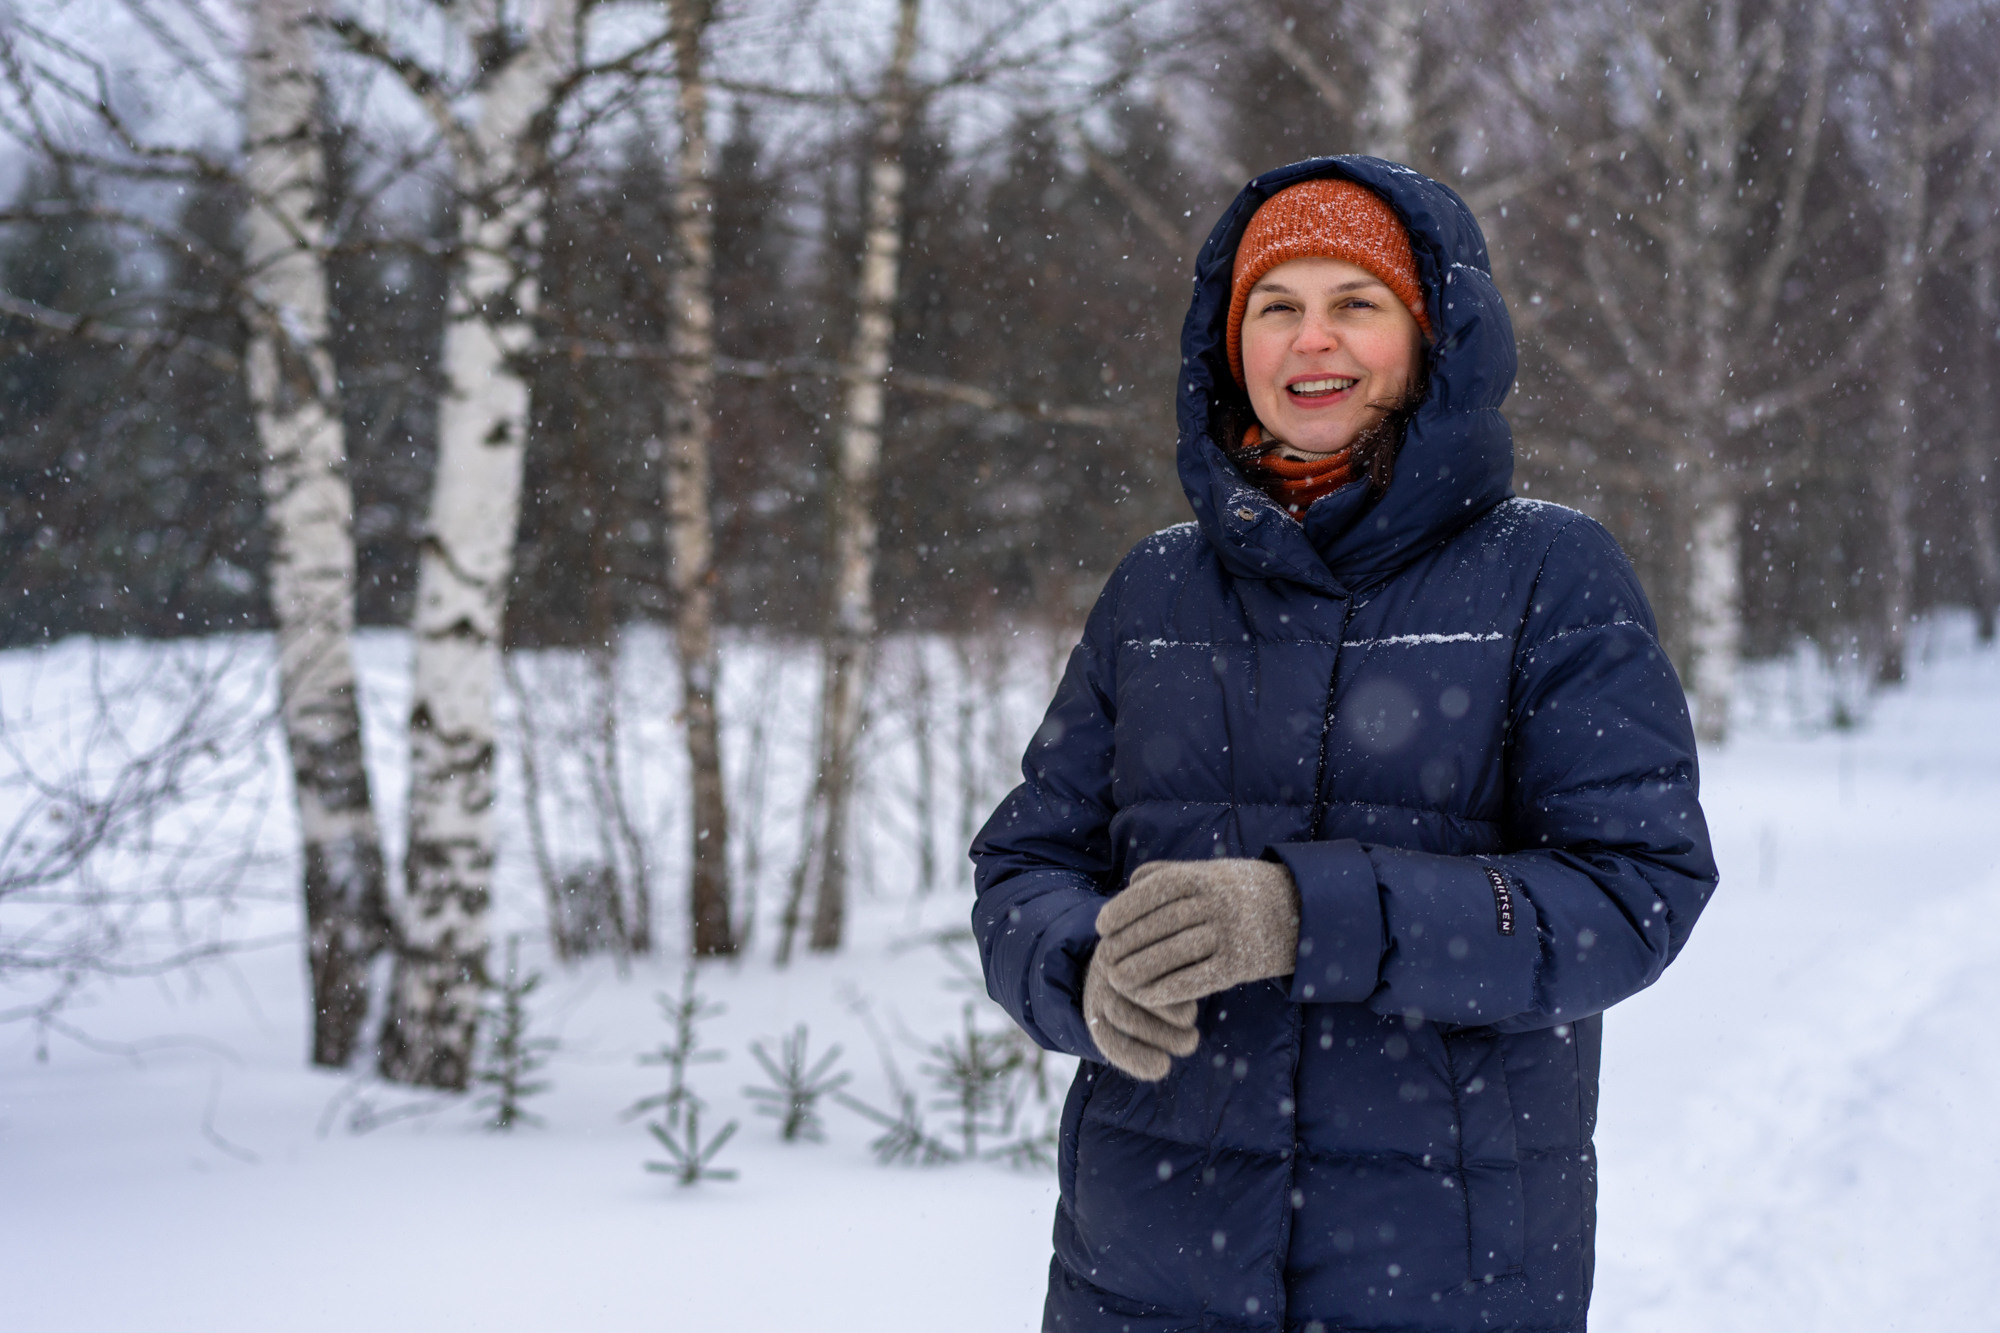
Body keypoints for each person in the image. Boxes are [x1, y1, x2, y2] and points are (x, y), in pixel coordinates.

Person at [969, 156, 1718, 1333]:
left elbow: (1630, 894)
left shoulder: (1550, 574)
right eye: (1276, 307)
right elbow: (1024, 865)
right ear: (1230, 345)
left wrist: (1303, 916)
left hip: (1440, 1275)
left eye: (1354, 304)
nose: (1310, 342)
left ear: (1432, 337)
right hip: (1146, 1269)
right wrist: (1078, 965)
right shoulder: (1157, 590)